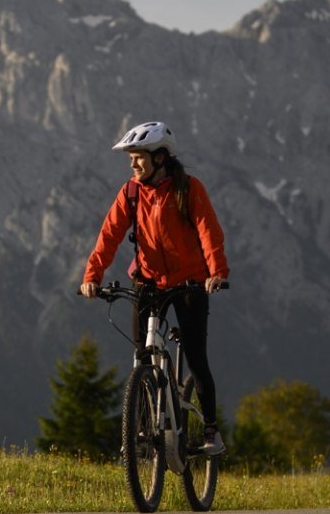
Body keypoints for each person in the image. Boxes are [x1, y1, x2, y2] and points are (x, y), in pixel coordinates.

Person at [79, 121, 231, 454]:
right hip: (146, 280)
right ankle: (145, 429)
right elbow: (109, 236)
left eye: (138, 158)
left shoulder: (189, 189)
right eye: (131, 158)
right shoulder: (130, 193)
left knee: (196, 357)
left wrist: (216, 272)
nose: (132, 165)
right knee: (142, 356)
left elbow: (209, 232)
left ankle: (210, 431)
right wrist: (93, 275)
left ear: (160, 158)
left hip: (190, 282)